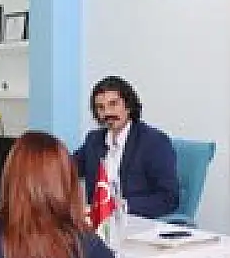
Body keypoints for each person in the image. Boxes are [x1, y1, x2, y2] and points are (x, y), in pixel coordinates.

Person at [75, 76, 178, 219]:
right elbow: (67, 170)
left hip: (135, 220)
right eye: (101, 107)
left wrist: (122, 206)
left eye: (113, 104)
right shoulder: (94, 140)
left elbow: (168, 198)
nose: (107, 113)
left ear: (128, 106)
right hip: (98, 222)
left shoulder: (154, 142)